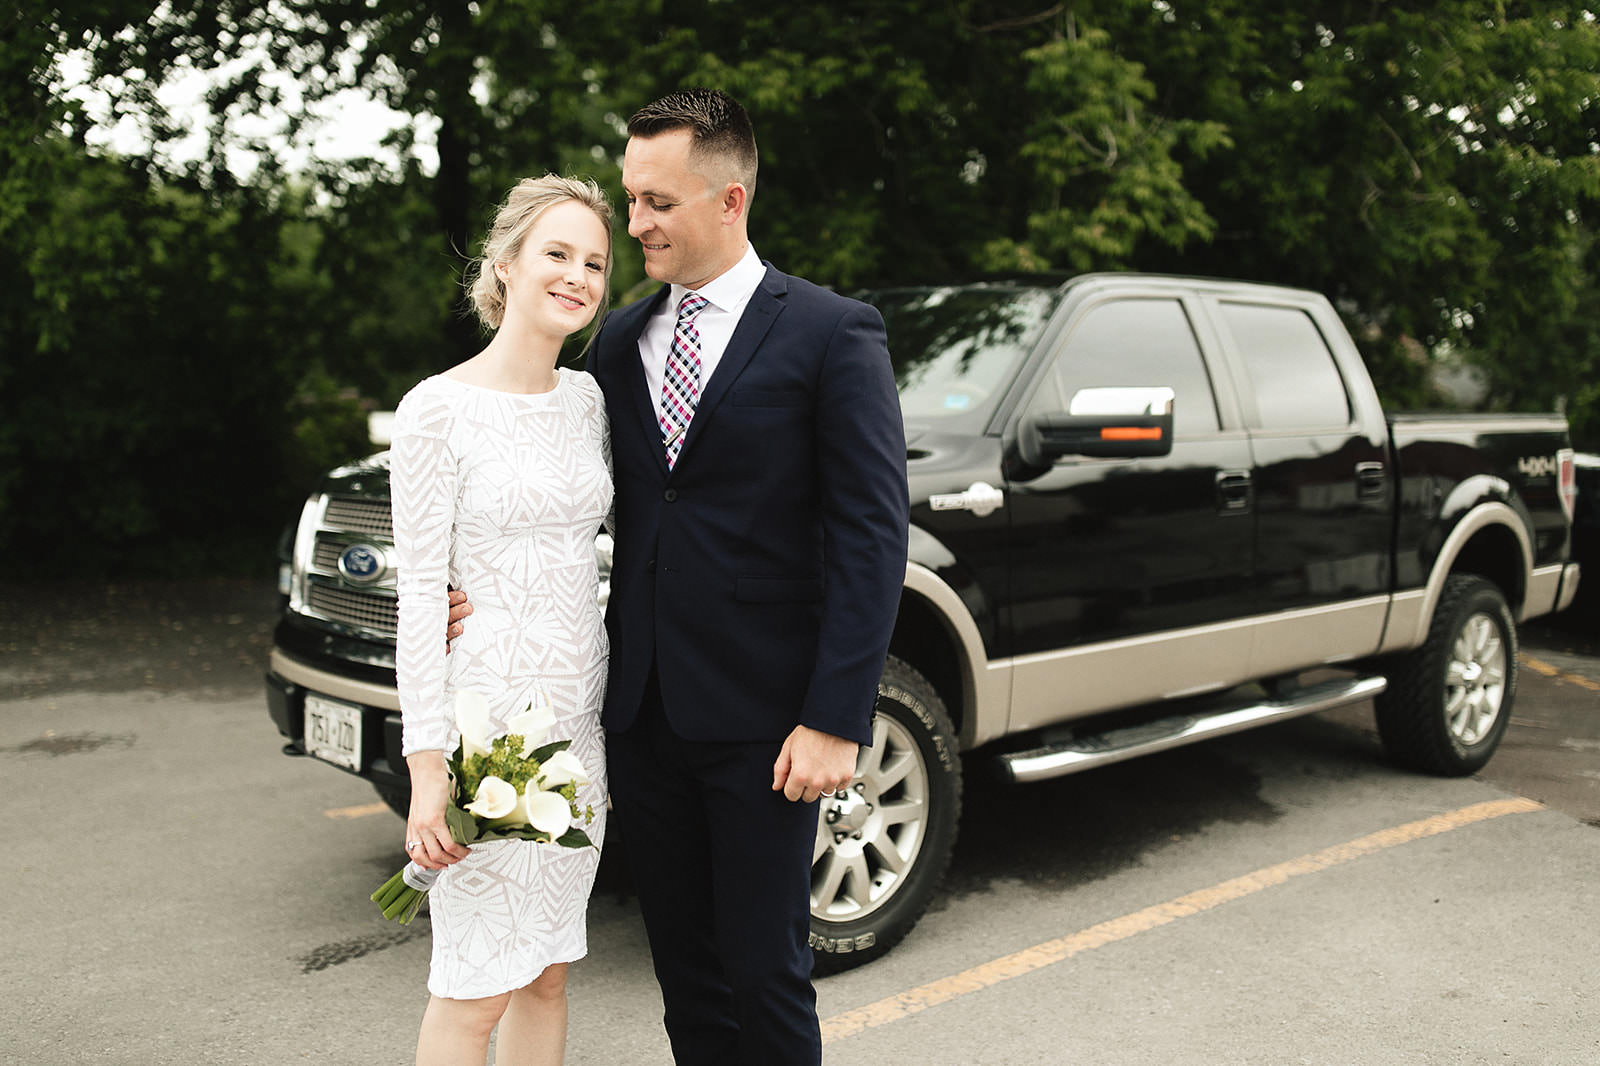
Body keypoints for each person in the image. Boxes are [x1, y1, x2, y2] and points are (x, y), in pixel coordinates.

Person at [453, 88, 909, 1064]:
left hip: (768, 724)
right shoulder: (619, 341)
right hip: (644, 717)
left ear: (728, 200)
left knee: (765, 972)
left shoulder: (832, 332)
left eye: (657, 201)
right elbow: (568, 497)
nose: (635, 223)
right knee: (687, 980)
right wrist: (480, 593)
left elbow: (872, 536)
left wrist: (836, 715)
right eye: (631, 198)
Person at [391, 174, 615, 1066]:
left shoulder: (588, 402)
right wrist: (426, 767)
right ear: (506, 264)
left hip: (578, 727)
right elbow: (418, 595)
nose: (578, 276)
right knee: (472, 989)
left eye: (595, 262)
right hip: (487, 731)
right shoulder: (435, 409)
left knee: (549, 971)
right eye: (557, 254)